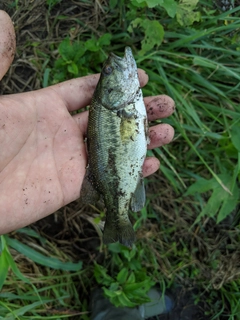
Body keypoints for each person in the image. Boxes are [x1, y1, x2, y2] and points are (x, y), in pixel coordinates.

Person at [0, 10, 175, 235]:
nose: (112, 67)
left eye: (109, 71)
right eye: (109, 71)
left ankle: (118, 215)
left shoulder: (118, 107)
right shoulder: (118, 107)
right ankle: (118, 217)